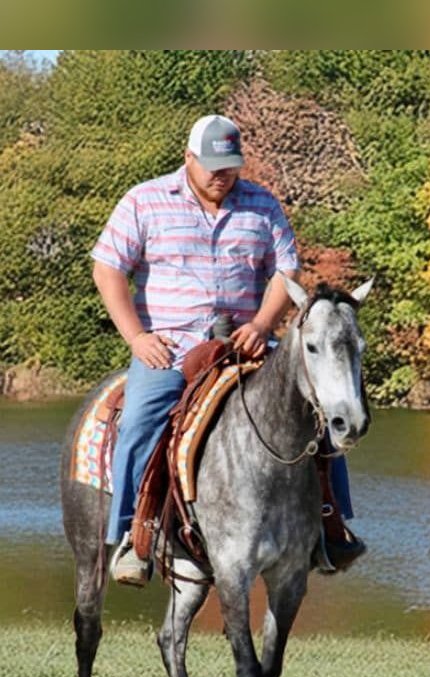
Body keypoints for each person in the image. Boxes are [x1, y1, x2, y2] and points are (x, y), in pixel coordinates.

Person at [92, 114, 363, 586]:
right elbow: (109, 269)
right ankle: (133, 536)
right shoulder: (145, 200)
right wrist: (137, 337)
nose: (222, 175)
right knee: (139, 421)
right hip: (172, 346)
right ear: (188, 158)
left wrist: (262, 324)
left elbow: (285, 272)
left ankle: (330, 526)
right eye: (212, 165)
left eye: (230, 166)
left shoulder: (261, 203)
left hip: (247, 343)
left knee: (320, 411)